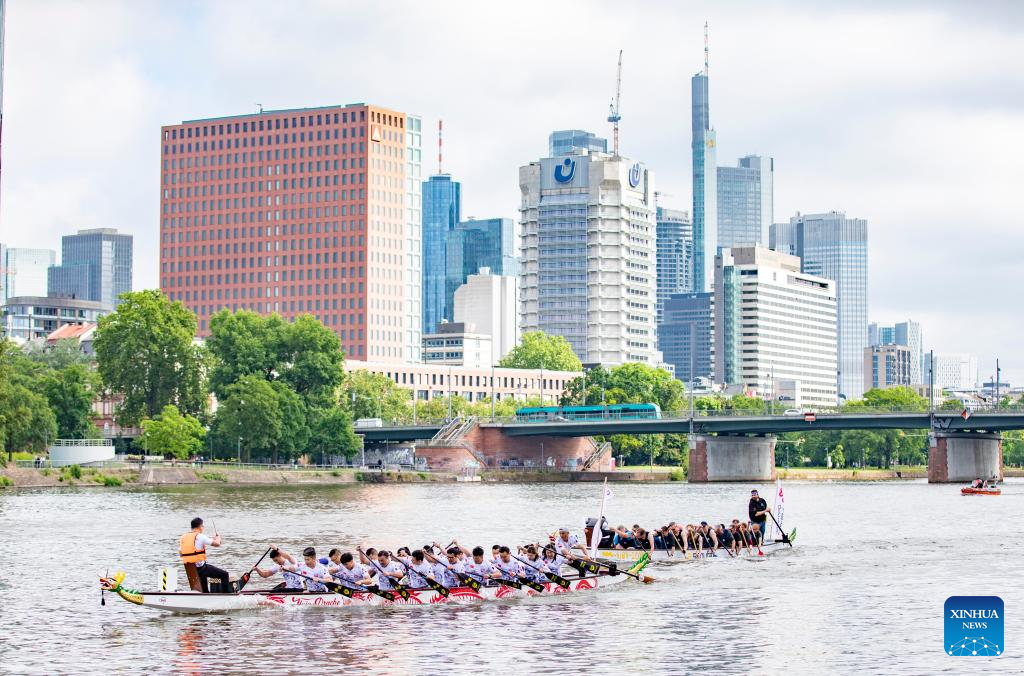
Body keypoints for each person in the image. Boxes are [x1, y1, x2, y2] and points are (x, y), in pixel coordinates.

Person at [179, 517, 231, 593]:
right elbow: (217, 544)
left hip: (190, 570)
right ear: (200, 526)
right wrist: (218, 538)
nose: (203, 528)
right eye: (202, 526)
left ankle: (205, 594)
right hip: (201, 569)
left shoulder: (183, 537)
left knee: (205, 587)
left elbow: (180, 553)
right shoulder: (200, 536)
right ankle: (226, 596)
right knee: (225, 575)